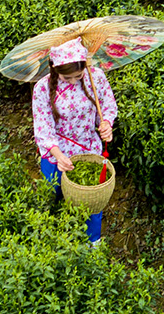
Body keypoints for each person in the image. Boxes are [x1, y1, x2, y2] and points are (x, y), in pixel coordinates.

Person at [32, 39, 117, 243]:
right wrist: (59, 156)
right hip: (58, 152)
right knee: (55, 195)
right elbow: (43, 128)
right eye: (66, 77)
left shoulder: (95, 77)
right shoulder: (42, 88)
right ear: (54, 69)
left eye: (77, 76)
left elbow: (106, 106)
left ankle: (92, 242)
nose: (72, 81)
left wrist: (106, 124)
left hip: (88, 148)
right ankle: (60, 239)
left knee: (92, 199)